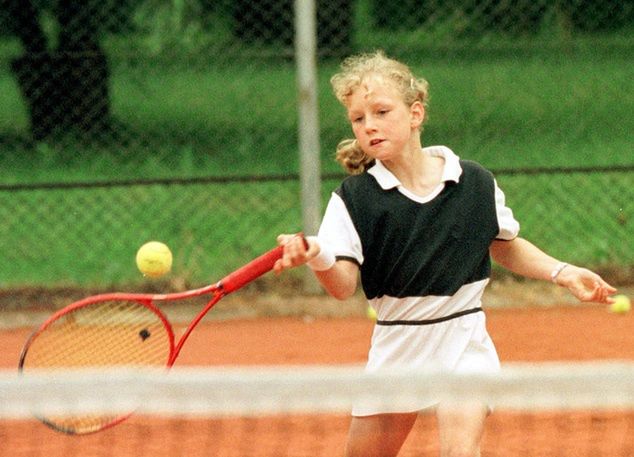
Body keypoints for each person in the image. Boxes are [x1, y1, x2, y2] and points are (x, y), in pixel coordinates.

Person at [273, 50, 616, 457]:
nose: (370, 126)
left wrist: (563, 272)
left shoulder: (473, 182)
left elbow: (503, 243)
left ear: (415, 114)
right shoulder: (354, 199)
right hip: (398, 345)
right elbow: (342, 286)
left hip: (464, 338)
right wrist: (316, 254)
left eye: (382, 112)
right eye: (358, 119)